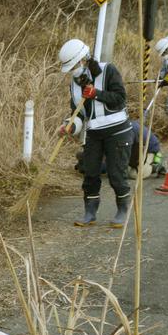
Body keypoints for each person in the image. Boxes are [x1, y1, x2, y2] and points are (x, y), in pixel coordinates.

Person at [58, 38, 132, 228]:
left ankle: (123, 209)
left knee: (116, 174)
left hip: (117, 130)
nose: (73, 70)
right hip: (94, 133)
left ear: (84, 59)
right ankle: (90, 212)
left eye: (75, 65)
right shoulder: (74, 84)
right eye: (70, 67)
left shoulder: (108, 70)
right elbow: (78, 114)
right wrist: (70, 126)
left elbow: (120, 99)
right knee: (90, 172)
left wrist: (97, 94)